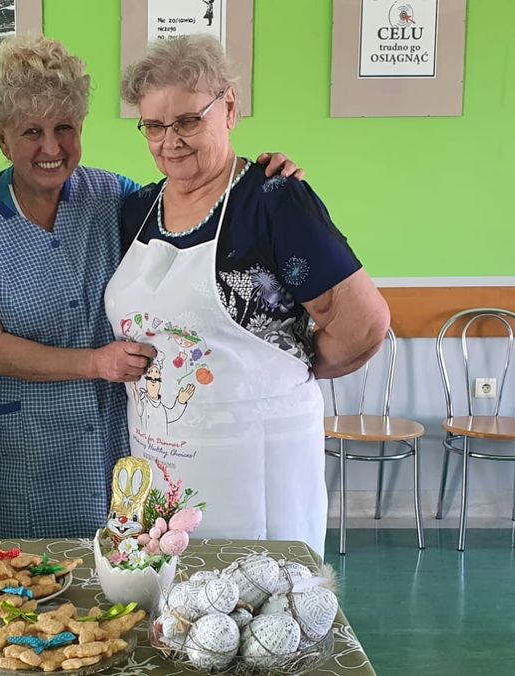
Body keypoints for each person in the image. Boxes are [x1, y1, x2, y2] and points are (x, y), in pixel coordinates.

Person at [0, 35, 303, 539]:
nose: (51, 147)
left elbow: (195, 194)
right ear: (4, 140)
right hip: (27, 450)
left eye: (64, 127)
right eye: (31, 132)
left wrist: (261, 180)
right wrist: (96, 363)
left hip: (119, 442)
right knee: (32, 591)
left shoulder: (116, 197)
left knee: (128, 579)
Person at [107, 35, 390, 556]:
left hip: (256, 469)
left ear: (229, 107)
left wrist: (278, 372)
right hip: (159, 466)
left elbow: (364, 324)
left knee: (256, 614)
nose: (170, 140)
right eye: (153, 125)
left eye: (189, 121)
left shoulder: (274, 200)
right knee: (170, 612)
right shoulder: (137, 209)